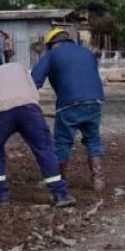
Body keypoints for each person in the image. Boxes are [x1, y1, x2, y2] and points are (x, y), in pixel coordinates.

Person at [0, 60, 76, 207]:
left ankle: (0, 196)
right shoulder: (19, 67)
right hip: (30, 109)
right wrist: (35, 112)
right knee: (44, 150)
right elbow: (33, 92)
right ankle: (61, 194)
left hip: (1, 112)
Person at [31, 29, 106, 191]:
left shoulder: (53, 54)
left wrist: (27, 102)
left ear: (52, 44)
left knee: (62, 142)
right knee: (93, 139)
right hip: (95, 101)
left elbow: (34, 79)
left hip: (69, 103)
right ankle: (98, 180)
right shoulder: (86, 52)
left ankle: (57, 180)